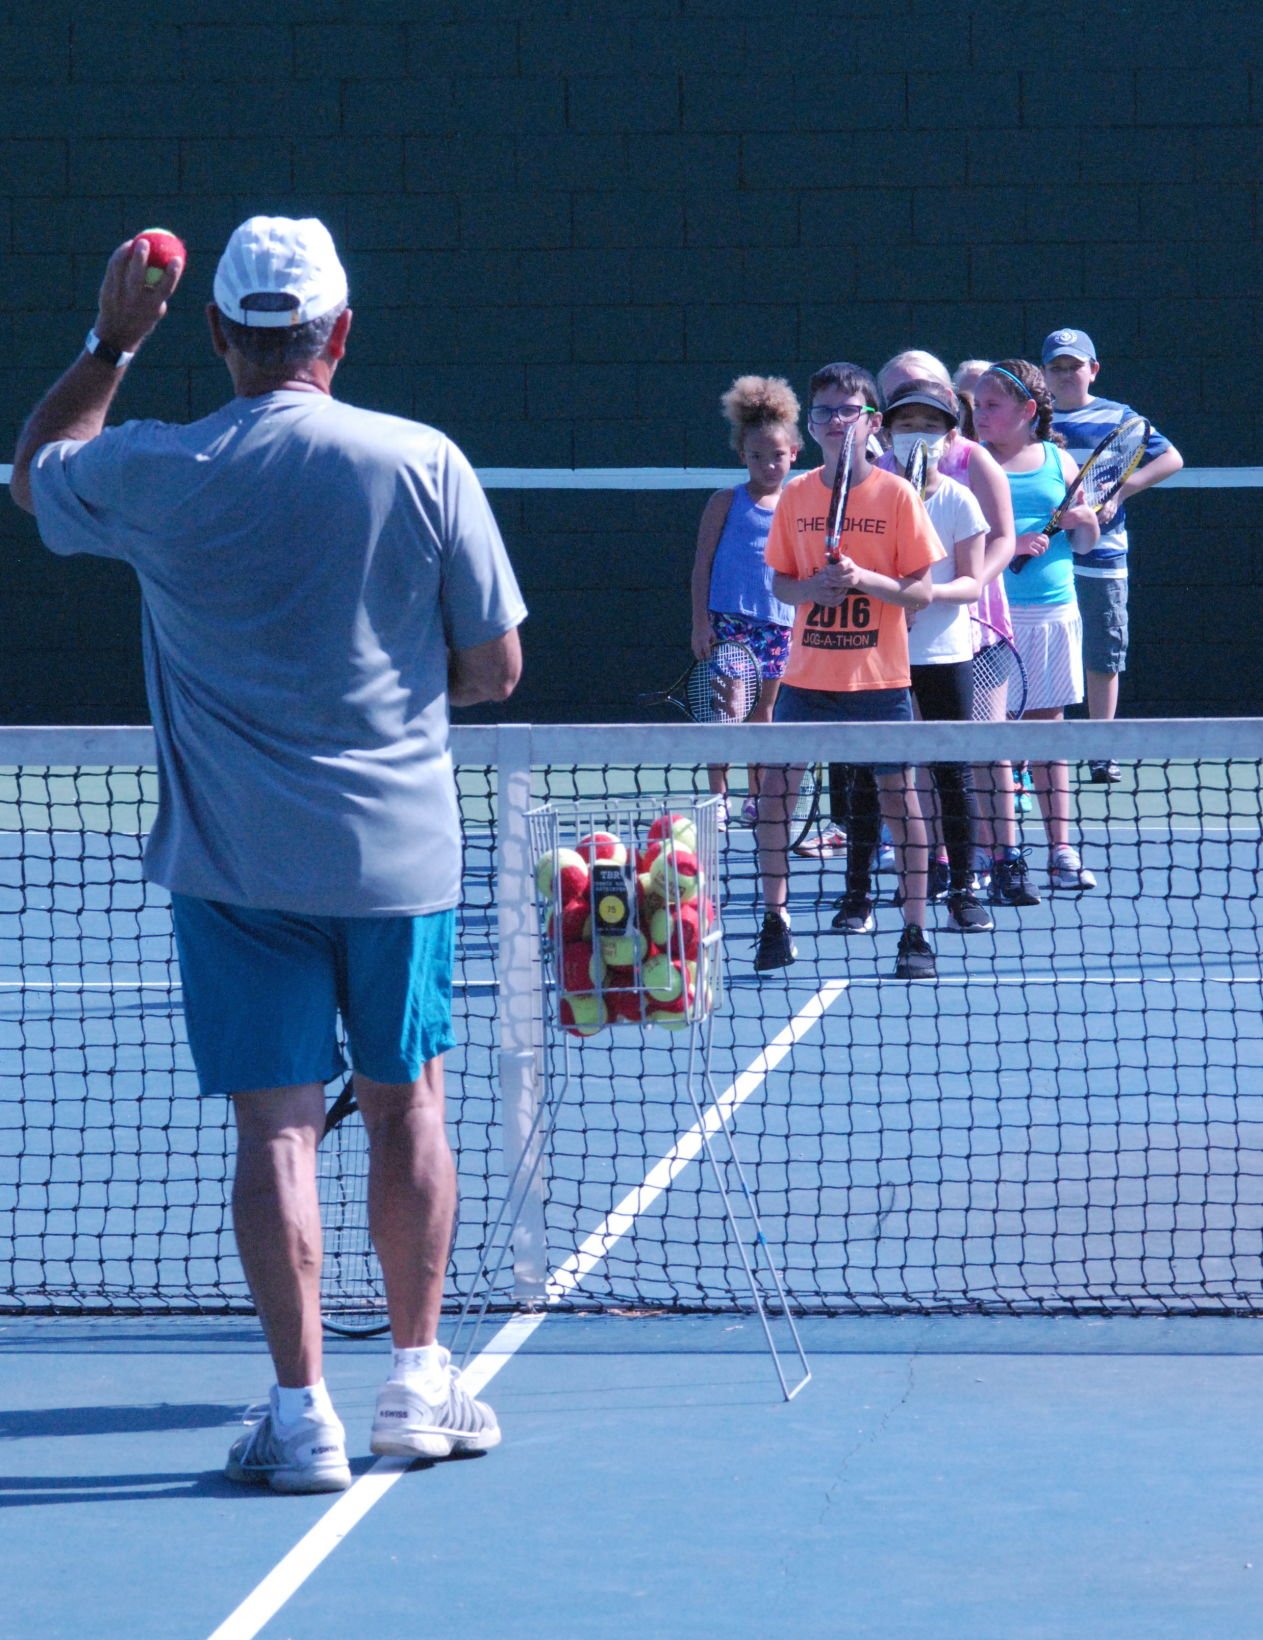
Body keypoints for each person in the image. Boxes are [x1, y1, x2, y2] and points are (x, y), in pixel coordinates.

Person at [10, 218, 526, 1494]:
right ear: (339, 335)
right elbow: (497, 668)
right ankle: (416, 1380)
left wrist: (106, 344)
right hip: (398, 859)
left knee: (276, 1137)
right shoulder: (425, 461)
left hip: (235, 869)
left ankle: (304, 1418)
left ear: (218, 335)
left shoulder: (152, 465)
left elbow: (32, 473)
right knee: (412, 1102)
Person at [754, 362, 943, 981]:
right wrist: (812, 587)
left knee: (901, 802)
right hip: (805, 683)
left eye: (847, 411)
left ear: (871, 423)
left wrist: (866, 582)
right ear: (810, 426)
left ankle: (914, 930)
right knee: (776, 797)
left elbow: (919, 592)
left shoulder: (897, 496)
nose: (835, 422)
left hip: (879, 683)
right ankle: (774, 920)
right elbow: (781, 582)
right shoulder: (797, 495)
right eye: (823, 413)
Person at [876, 351, 1034, 907]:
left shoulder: (974, 464)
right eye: (902, 404)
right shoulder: (880, 474)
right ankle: (938, 860)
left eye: (927, 407)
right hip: (901, 638)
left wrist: (956, 591)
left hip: (975, 625)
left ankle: (1005, 859)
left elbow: (1003, 540)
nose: (915, 429)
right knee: (918, 753)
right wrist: (899, 595)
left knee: (982, 749)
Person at [838, 378, 991, 935]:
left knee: (952, 775)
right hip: (877, 657)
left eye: (930, 426)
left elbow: (972, 584)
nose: (917, 436)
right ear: (886, 431)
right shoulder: (865, 498)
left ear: (951, 438)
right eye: (907, 425)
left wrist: (922, 595)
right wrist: (889, 599)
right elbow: (853, 573)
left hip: (944, 655)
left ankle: (963, 890)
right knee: (867, 777)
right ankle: (856, 896)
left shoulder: (959, 500)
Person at [973, 359, 1099, 892]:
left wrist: (1085, 521)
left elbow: (1087, 544)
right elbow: (959, 538)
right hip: (990, 618)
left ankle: (1061, 850)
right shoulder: (971, 462)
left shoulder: (1058, 461)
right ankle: (990, 850)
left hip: (1051, 615)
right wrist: (1010, 547)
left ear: (1028, 411)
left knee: (1048, 734)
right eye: (975, 405)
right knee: (989, 740)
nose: (978, 415)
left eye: (991, 406)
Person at [1041, 328, 1184, 782]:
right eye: (1056, 368)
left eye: (1074, 366)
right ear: (1044, 374)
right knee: (1040, 652)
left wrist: (1123, 490)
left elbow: (1171, 458)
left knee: (1102, 653)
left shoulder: (1120, 418)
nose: (1066, 375)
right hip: (1046, 560)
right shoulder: (1033, 421)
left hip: (1102, 557)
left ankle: (1102, 748)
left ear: (1093, 370)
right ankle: (1030, 750)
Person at [689, 375, 800, 825]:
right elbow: (702, 564)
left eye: (777, 456)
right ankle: (718, 797)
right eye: (757, 457)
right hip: (729, 623)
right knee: (726, 708)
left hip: (779, 624)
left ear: (793, 453)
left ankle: (756, 797)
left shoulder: (798, 504)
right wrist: (701, 623)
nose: (769, 465)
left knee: (763, 712)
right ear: (742, 456)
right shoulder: (724, 502)